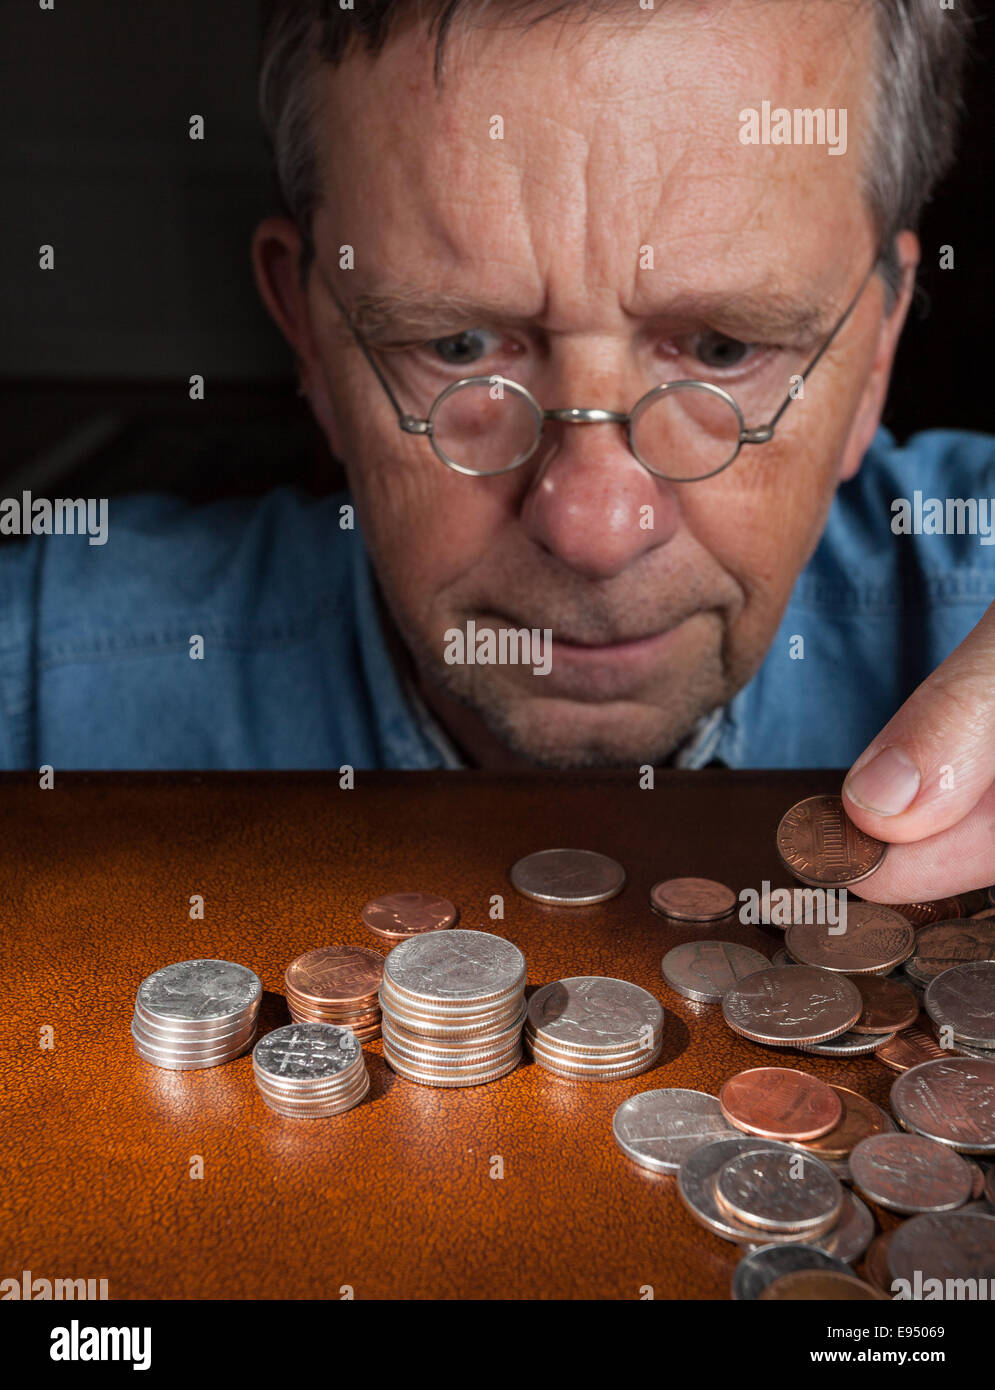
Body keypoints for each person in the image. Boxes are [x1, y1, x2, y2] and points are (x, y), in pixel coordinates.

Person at [0, 0, 991, 906]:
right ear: (309, 339)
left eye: (724, 350)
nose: (595, 528)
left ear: (876, 353)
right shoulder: (40, 687)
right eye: (458, 348)